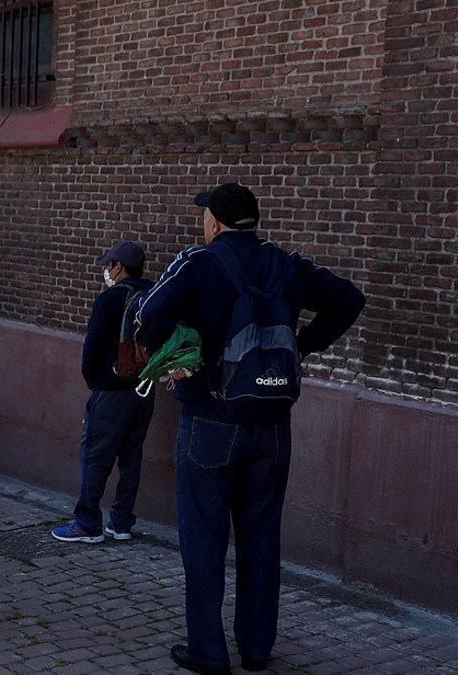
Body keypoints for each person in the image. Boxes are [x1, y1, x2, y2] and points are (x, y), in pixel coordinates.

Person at [134, 183, 364, 674]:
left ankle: (208, 651)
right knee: (261, 538)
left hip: (209, 421)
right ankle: (257, 648)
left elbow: (145, 316)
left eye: (205, 217)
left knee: (204, 539)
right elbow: (348, 298)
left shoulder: (198, 262)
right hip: (272, 424)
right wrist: (301, 347)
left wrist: (177, 360)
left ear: (214, 222)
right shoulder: (285, 264)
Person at [52, 241, 156, 545]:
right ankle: (121, 523)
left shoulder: (110, 299)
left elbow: (92, 349)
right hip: (144, 388)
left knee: (95, 456)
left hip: (111, 391)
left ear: (118, 267)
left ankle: (87, 523)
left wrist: (95, 380)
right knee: (131, 457)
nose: (105, 271)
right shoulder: (152, 296)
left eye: (107, 265)